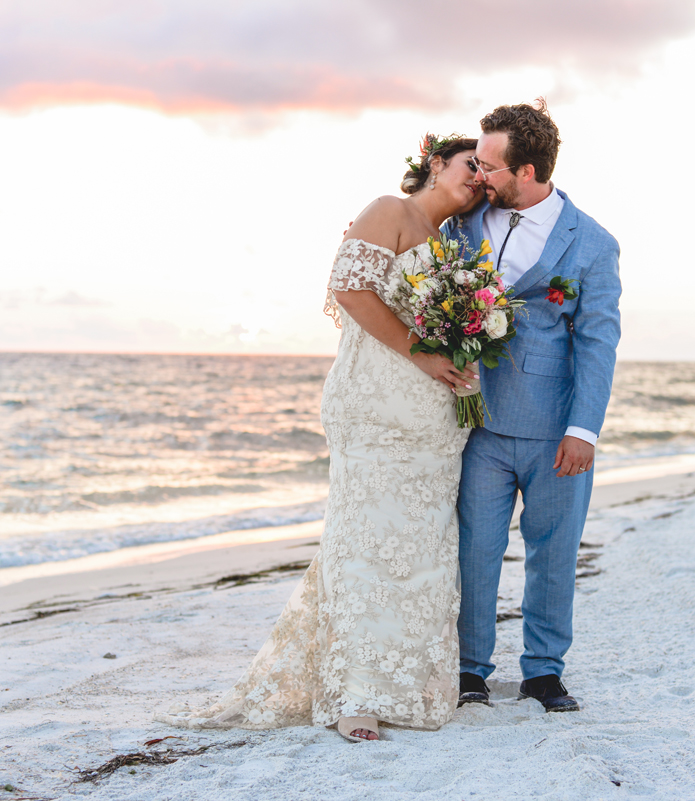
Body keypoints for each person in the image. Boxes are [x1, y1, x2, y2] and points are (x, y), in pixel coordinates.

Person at [159, 134, 482, 742]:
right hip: (378, 402)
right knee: (365, 541)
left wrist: (456, 359)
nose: (477, 178)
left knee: (421, 545)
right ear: (436, 162)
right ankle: (354, 693)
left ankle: (409, 684)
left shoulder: (452, 245)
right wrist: (422, 354)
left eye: (485, 176)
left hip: (432, 418)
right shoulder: (390, 208)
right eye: (471, 165)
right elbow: (349, 290)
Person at [443, 100, 622, 712]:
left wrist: (584, 429)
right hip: (478, 424)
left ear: (526, 171)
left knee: (554, 552)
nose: (478, 175)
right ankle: (470, 669)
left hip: (554, 430)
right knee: (474, 550)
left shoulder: (593, 243)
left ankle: (544, 671)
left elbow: (599, 339)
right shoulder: (463, 224)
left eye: (489, 165)